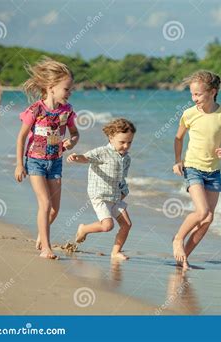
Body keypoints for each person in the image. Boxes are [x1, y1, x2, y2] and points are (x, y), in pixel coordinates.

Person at [15, 57, 79, 260]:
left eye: (70, 89)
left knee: (55, 209)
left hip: (56, 162)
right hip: (35, 161)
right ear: (51, 87)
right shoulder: (36, 110)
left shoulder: (66, 111)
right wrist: (19, 164)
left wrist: (72, 142)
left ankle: (41, 236)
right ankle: (46, 248)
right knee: (45, 204)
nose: (69, 93)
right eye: (66, 89)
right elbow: (22, 137)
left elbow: (75, 133)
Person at [172, 70, 221, 269]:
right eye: (192, 94)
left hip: (213, 171)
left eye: (198, 94)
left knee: (208, 219)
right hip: (193, 167)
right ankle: (178, 239)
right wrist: (177, 161)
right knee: (202, 211)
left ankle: (183, 259)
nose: (194, 98)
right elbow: (178, 138)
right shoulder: (189, 114)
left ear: (213, 92)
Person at [68, 118, 135, 260]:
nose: (126, 146)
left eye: (129, 142)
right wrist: (76, 157)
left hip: (116, 196)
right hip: (100, 195)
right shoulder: (102, 152)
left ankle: (115, 252)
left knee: (127, 224)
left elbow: (122, 178)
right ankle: (84, 229)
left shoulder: (126, 158)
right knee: (107, 226)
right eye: (122, 142)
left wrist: (124, 191)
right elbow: (86, 158)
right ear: (111, 138)